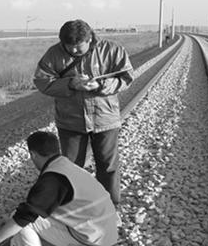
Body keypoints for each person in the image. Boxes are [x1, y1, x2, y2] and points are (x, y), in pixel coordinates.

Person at [33, 19, 134, 206]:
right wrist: (70, 83)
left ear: (90, 39)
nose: (73, 51)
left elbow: (126, 78)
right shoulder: (53, 54)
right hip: (70, 121)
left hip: (105, 119)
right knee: (71, 167)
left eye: (78, 49)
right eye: (69, 48)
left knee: (108, 166)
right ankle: (74, 207)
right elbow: (41, 82)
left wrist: (101, 85)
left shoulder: (111, 50)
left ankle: (110, 207)